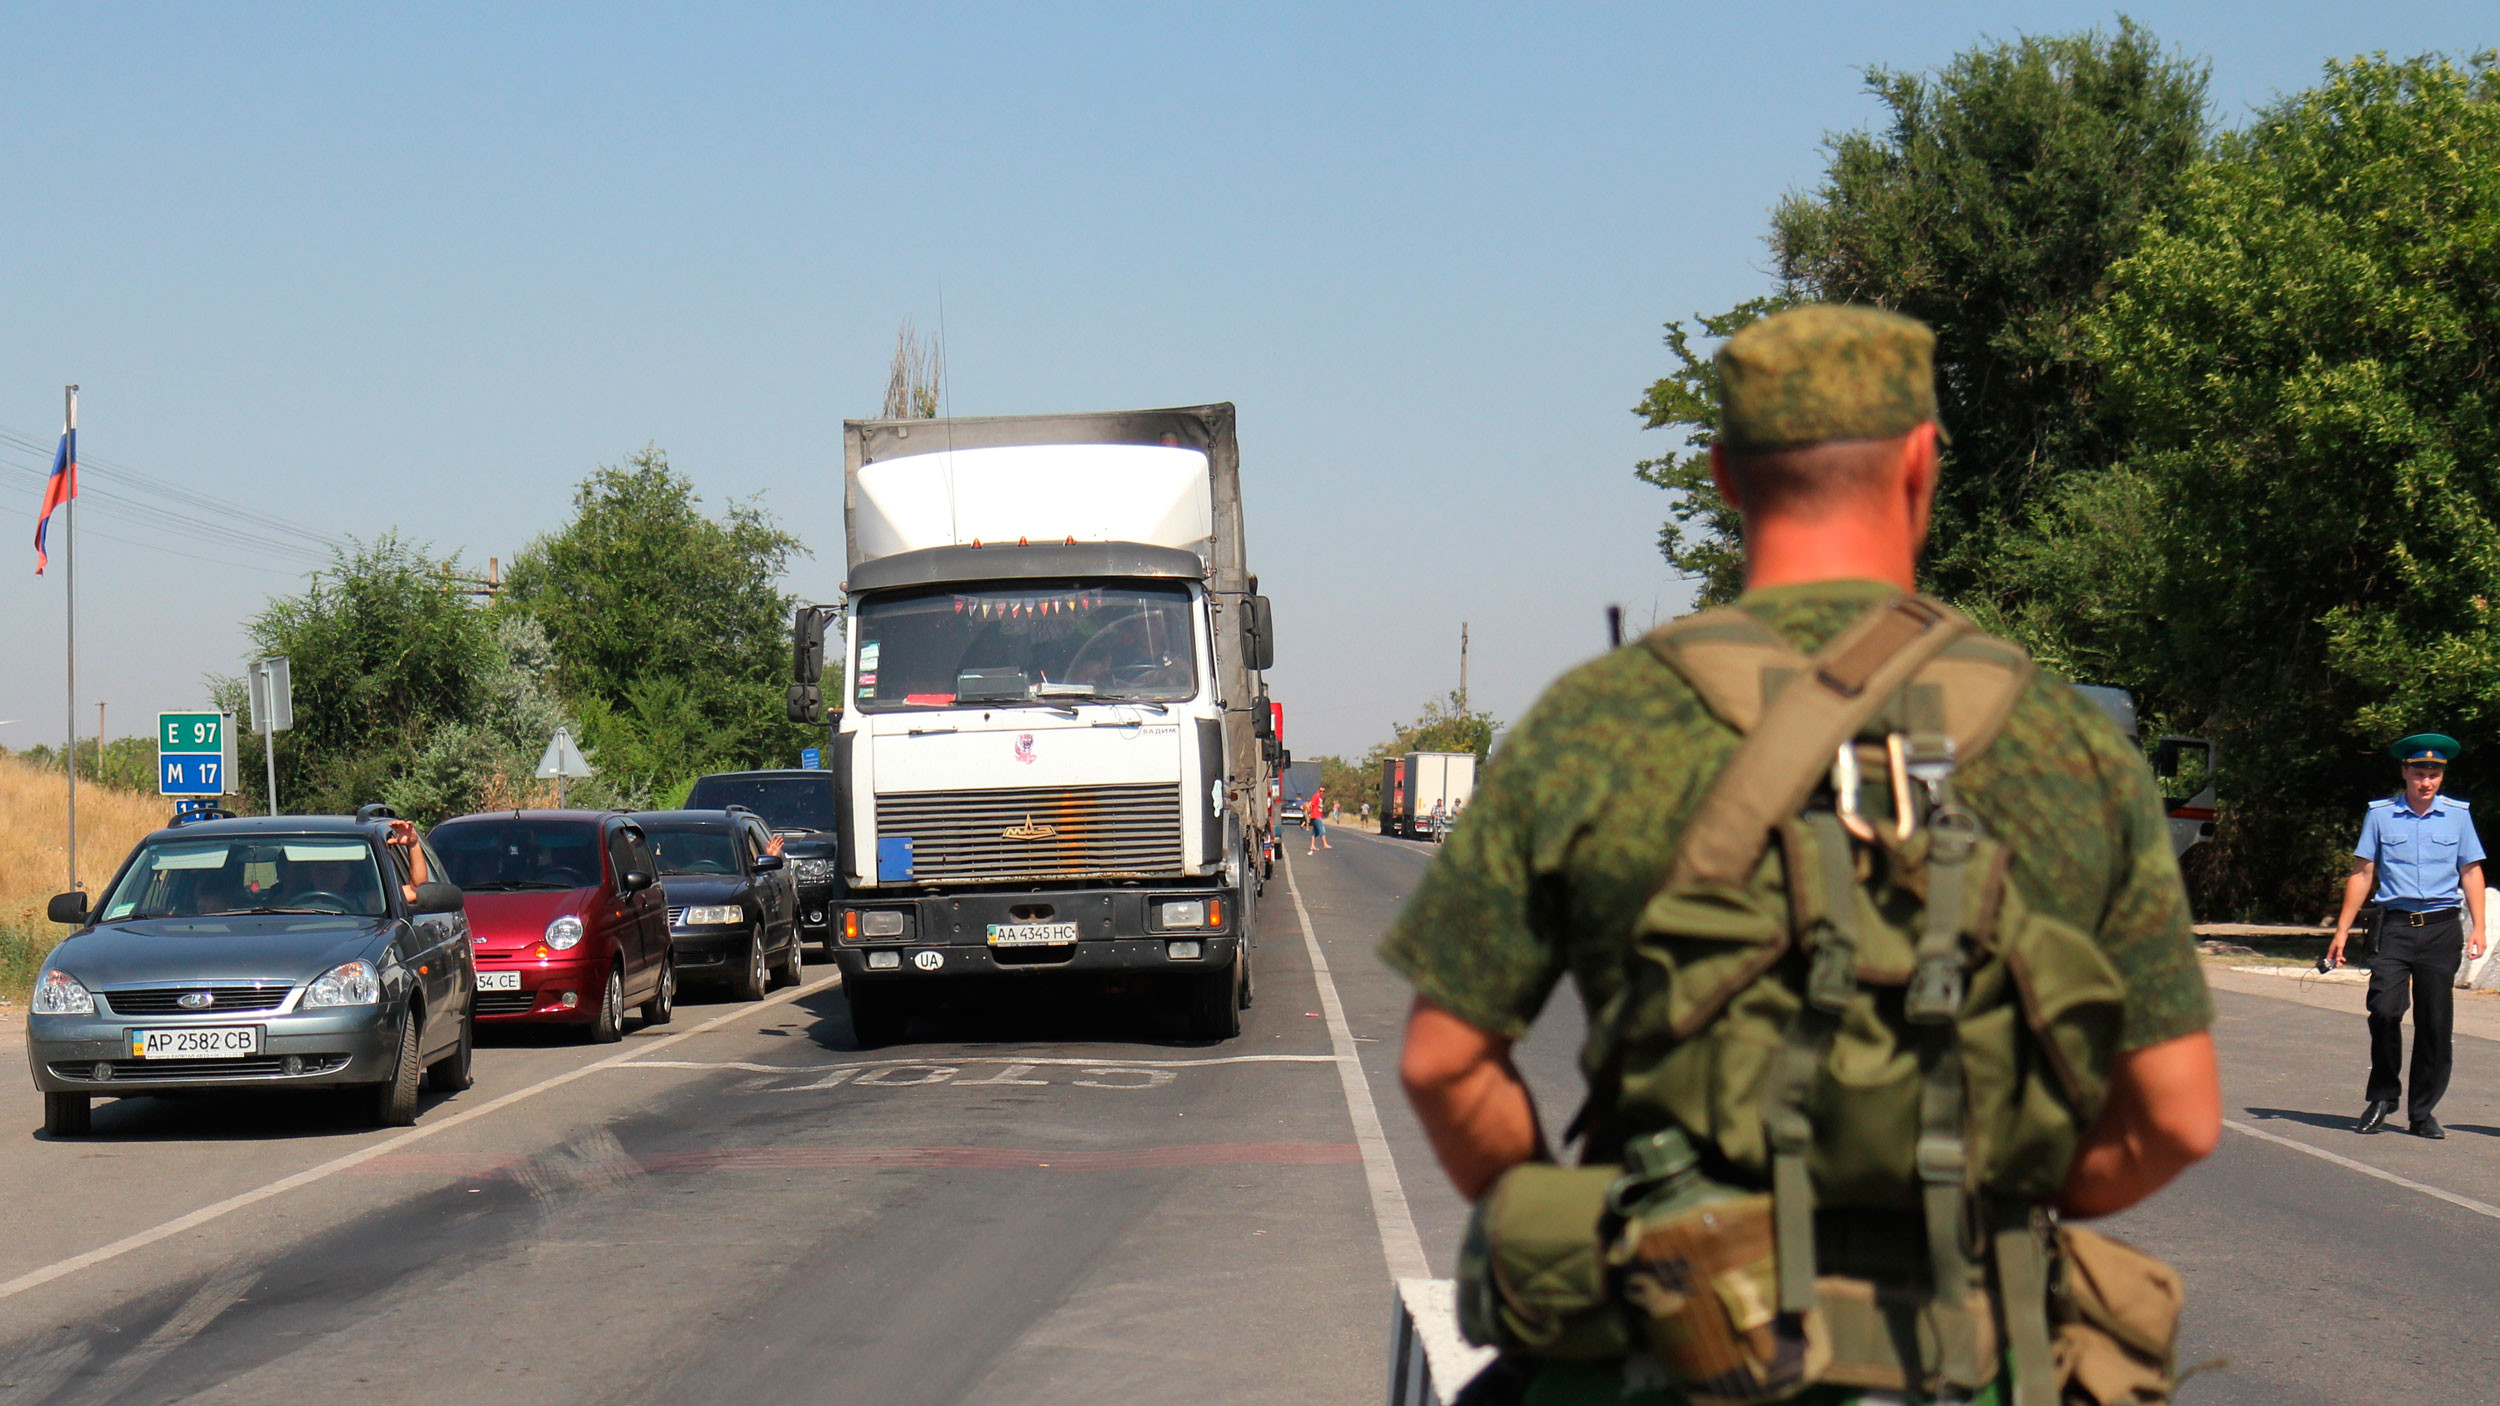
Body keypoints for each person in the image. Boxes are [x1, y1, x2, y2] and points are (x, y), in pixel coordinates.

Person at [1383, 305, 2220, 1405]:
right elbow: (2175, 1113)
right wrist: (1973, 1206)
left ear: (1725, 475)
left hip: (1668, 1362)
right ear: (1921, 463)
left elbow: (1443, 1061)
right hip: (1972, 1360)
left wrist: (1599, 1229)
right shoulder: (2068, 743)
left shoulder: (1600, 720)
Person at [2329, 734, 2487, 1138]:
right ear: (2404, 772)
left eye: (2434, 774)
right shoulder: (2381, 815)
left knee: (2435, 1022)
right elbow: (2362, 873)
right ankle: (2383, 1096)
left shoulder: (2457, 815)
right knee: (2384, 1010)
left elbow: (2471, 872)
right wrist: (2342, 930)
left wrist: (2481, 927)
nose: (2427, 781)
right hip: (2395, 926)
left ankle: (2422, 1111)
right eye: (2419, 773)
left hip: (2441, 927)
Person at [1305, 785, 1332, 854]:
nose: (1322, 792)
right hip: (1316, 815)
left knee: (1315, 831)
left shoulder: (1320, 797)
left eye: (1323, 791)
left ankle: (1312, 845)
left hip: (1318, 814)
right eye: (1320, 791)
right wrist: (1310, 812)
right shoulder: (1316, 796)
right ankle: (1325, 844)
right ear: (1318, 790)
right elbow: (1311, 804)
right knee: (1321, 829)